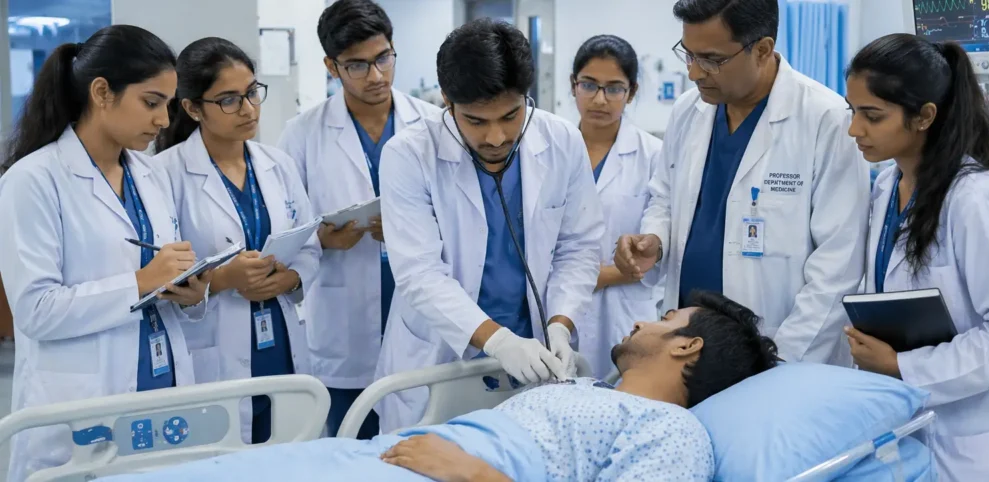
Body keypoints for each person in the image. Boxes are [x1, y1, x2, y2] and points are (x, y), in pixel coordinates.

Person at [100, 291, 780, 482]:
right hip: (412, 450)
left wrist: (474, 473)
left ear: (686, 346)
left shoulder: (674, 433)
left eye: (664, 318)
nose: (642, 317)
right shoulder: (597, 395)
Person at [0, 26, 211, 482]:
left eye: (169, 105)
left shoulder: (151, 175)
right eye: (152, 102)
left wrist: (191, 293)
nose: (163, 120)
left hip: (160, 388)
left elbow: (161, 272)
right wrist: (141, 282)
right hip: (83, 403)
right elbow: (35, 311)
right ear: (102, 92)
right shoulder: (33, 181)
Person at [374, 18, 604, 432]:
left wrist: (562, 323)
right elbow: (419, 272)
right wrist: (498, 341)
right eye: (477, 121)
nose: (497, 137)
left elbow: (578, 246)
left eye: (511, 116)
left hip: (537, 356)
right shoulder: (408, 155)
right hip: (441, 358)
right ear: (447, 101)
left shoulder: (562, 141)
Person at [614, 0, 870, 364]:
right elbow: (665, 198)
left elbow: (838, 267)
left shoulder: (825, 120)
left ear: (762, 50)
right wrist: (655, 238)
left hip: (778, 350)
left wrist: (783, 361)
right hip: (686, 347)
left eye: (711, 59)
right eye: (688, 55)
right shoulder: (689, 110)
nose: (694, 73)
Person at [843, 34, 989, 481]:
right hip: (907, 424)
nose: (854, 129)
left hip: (972, 440)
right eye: (853, 111)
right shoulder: (886, 187)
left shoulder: (976, 200)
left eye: (872, 115)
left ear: (924, 116)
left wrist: (901, 367)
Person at [276, 0, 440, 440]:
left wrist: (414, 228)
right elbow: (287, 225)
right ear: (332, 65)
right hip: (342, 317)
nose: (376, 76)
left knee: (420, 441)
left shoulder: (432, 125)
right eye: (358, 65)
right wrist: (323, 239)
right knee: (350, 442)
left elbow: (459, 215)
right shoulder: (302, 133)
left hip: (414, 306)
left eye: (383, 58)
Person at [154, 37, 321, 445]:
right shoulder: (164, 174)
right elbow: (159, 281)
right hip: (213, 349)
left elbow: (310, 245)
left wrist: (293, 278)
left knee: (290, 456)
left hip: (281, 342)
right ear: (192, 108)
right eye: (228, 100)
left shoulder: (276, 164)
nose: (248, 109)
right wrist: (224, 278)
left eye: (251, 93)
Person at [570, 35, 664, 380]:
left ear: (632, 92)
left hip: (625, 312)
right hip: (558, 310)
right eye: (589, 85)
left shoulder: (654, 156)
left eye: (614, 88)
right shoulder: (546, 150)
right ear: (573, 84)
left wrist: (599, 276)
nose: (599, 99)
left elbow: (658, 249)